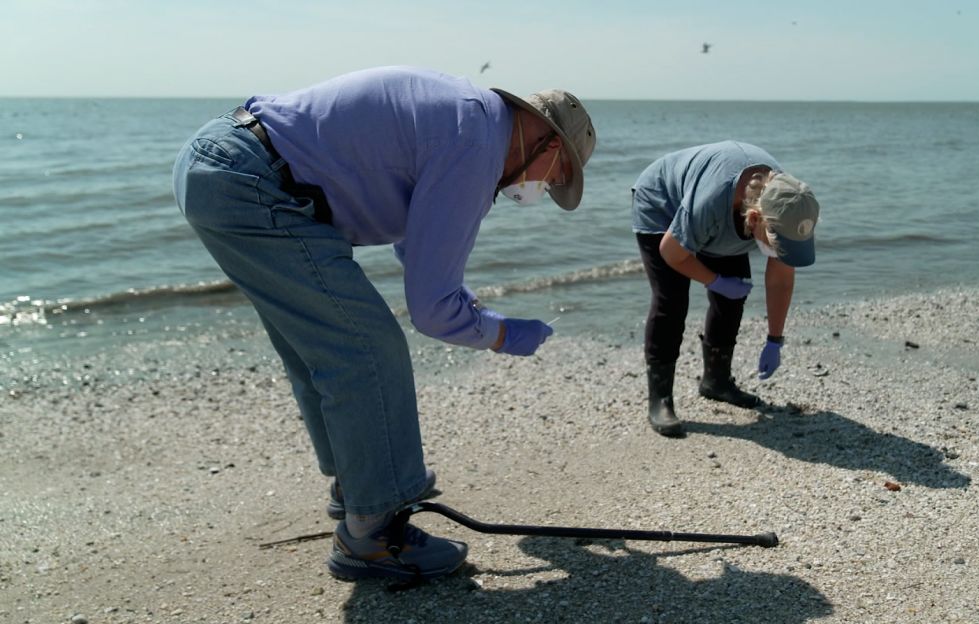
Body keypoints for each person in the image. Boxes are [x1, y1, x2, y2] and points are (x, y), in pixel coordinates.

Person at [171, 66, 596, 581]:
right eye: (556, 177)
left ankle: (360, 485)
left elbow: (418, 251)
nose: (542, 188)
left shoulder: (471, 118)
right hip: (252, 182)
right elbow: (432, 312)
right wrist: (503, 334)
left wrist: (470, 305)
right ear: (549, 144)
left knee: (323, 350)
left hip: (229, 163)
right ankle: (370, 537)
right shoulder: (476, 145)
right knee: (367, 350)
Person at [631, 141, 819, 438]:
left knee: (735, 294)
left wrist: (775, 339)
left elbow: (781, 277)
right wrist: (713, 280)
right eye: (777, 245)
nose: (781, 253)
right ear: (755, 221)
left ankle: (716, 382)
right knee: (672, 300)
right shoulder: (712, 203)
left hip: (727, 211)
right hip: (662, 202)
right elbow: (672, 253)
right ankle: (660, 399)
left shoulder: (791, 205)